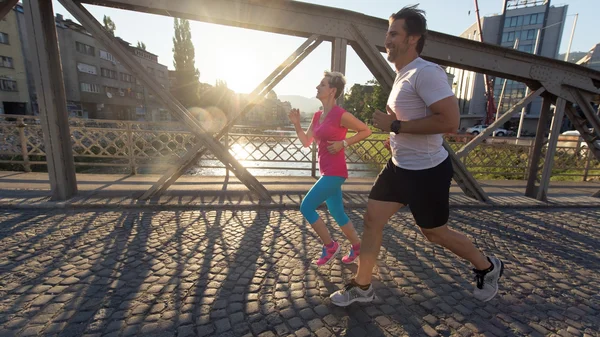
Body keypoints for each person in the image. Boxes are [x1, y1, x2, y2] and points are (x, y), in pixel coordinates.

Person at [330, 5, 503, 306]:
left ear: (413, 39)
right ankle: (362, 286)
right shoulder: (402, 75)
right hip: (399, 167)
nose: (387, 40)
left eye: (394, 34)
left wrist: (396, 125)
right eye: (388, 33)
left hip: (427, 171)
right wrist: (396, 137)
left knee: (434, 233)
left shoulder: (426, 72)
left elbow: (450, 121)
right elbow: (414, 122)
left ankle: (487, 266)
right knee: (372, 219)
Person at [288, 71, 372, 266]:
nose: (317, 87)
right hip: (326, 171)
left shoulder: (340, 115)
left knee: (306, 206)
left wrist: (344, 143)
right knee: (337, 212)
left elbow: (365, 130)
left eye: (322, 85)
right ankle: (358, 246)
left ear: (332, 91)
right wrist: (296, 124)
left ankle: (330, 246)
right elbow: (307, 142)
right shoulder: (317, 115)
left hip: (336, 171)